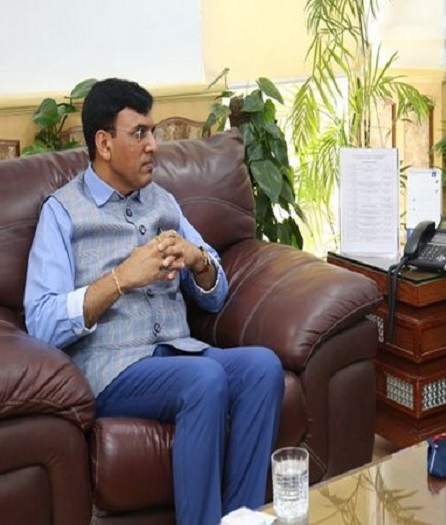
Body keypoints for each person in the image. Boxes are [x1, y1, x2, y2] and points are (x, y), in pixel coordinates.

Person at [23, 78, 285, 525]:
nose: (153, 146)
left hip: (180, 353)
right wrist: (121, 280)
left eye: (154, 132)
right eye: (139, 134)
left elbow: (215, 292)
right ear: (103, 143)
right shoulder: (62, 212)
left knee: (263, 367)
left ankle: (239, 519)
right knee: (203, 381)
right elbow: (42, 322)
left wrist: (198, 259)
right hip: (113, 368)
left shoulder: (163, 201)